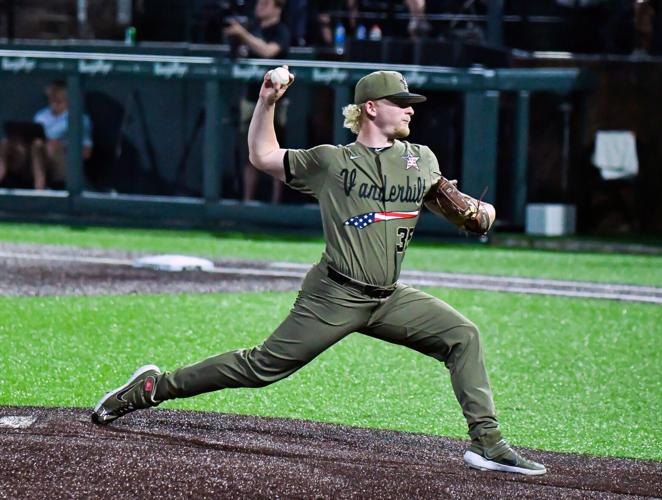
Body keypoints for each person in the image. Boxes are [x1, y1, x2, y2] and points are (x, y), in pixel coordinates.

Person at [92, 69, 547, 476]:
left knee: (462, 335)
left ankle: (487, 443)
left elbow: (449, 201)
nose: (409, 109)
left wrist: (478, 211)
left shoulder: (420, 158)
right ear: (371, 107)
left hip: (388, 297)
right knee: (261, 367)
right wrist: (268, 100)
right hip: (334, 295)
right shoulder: (332, 161)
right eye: (400, 102)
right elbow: (263, 155)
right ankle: (151, 389)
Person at [223, 0, 290, 203]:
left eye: (265, 3)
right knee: (250, 154)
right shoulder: (253, 28)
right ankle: (247, 203)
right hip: (252, 98)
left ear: (276, 7)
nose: (259, 6)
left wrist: (242, 34)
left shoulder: (281, 30)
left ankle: (276, 206)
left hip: (275, 101)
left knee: (275, 154)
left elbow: (269, 51)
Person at [0, 80, 92, 190]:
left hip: (57, 162)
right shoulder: (42, 115)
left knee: (40, 145)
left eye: (58, 101)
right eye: (51, 100)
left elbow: (86, 152)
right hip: (30, 159)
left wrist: (62, 147)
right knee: (5, 143)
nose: (53, 104)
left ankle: (40, 186)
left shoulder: (79, 119)